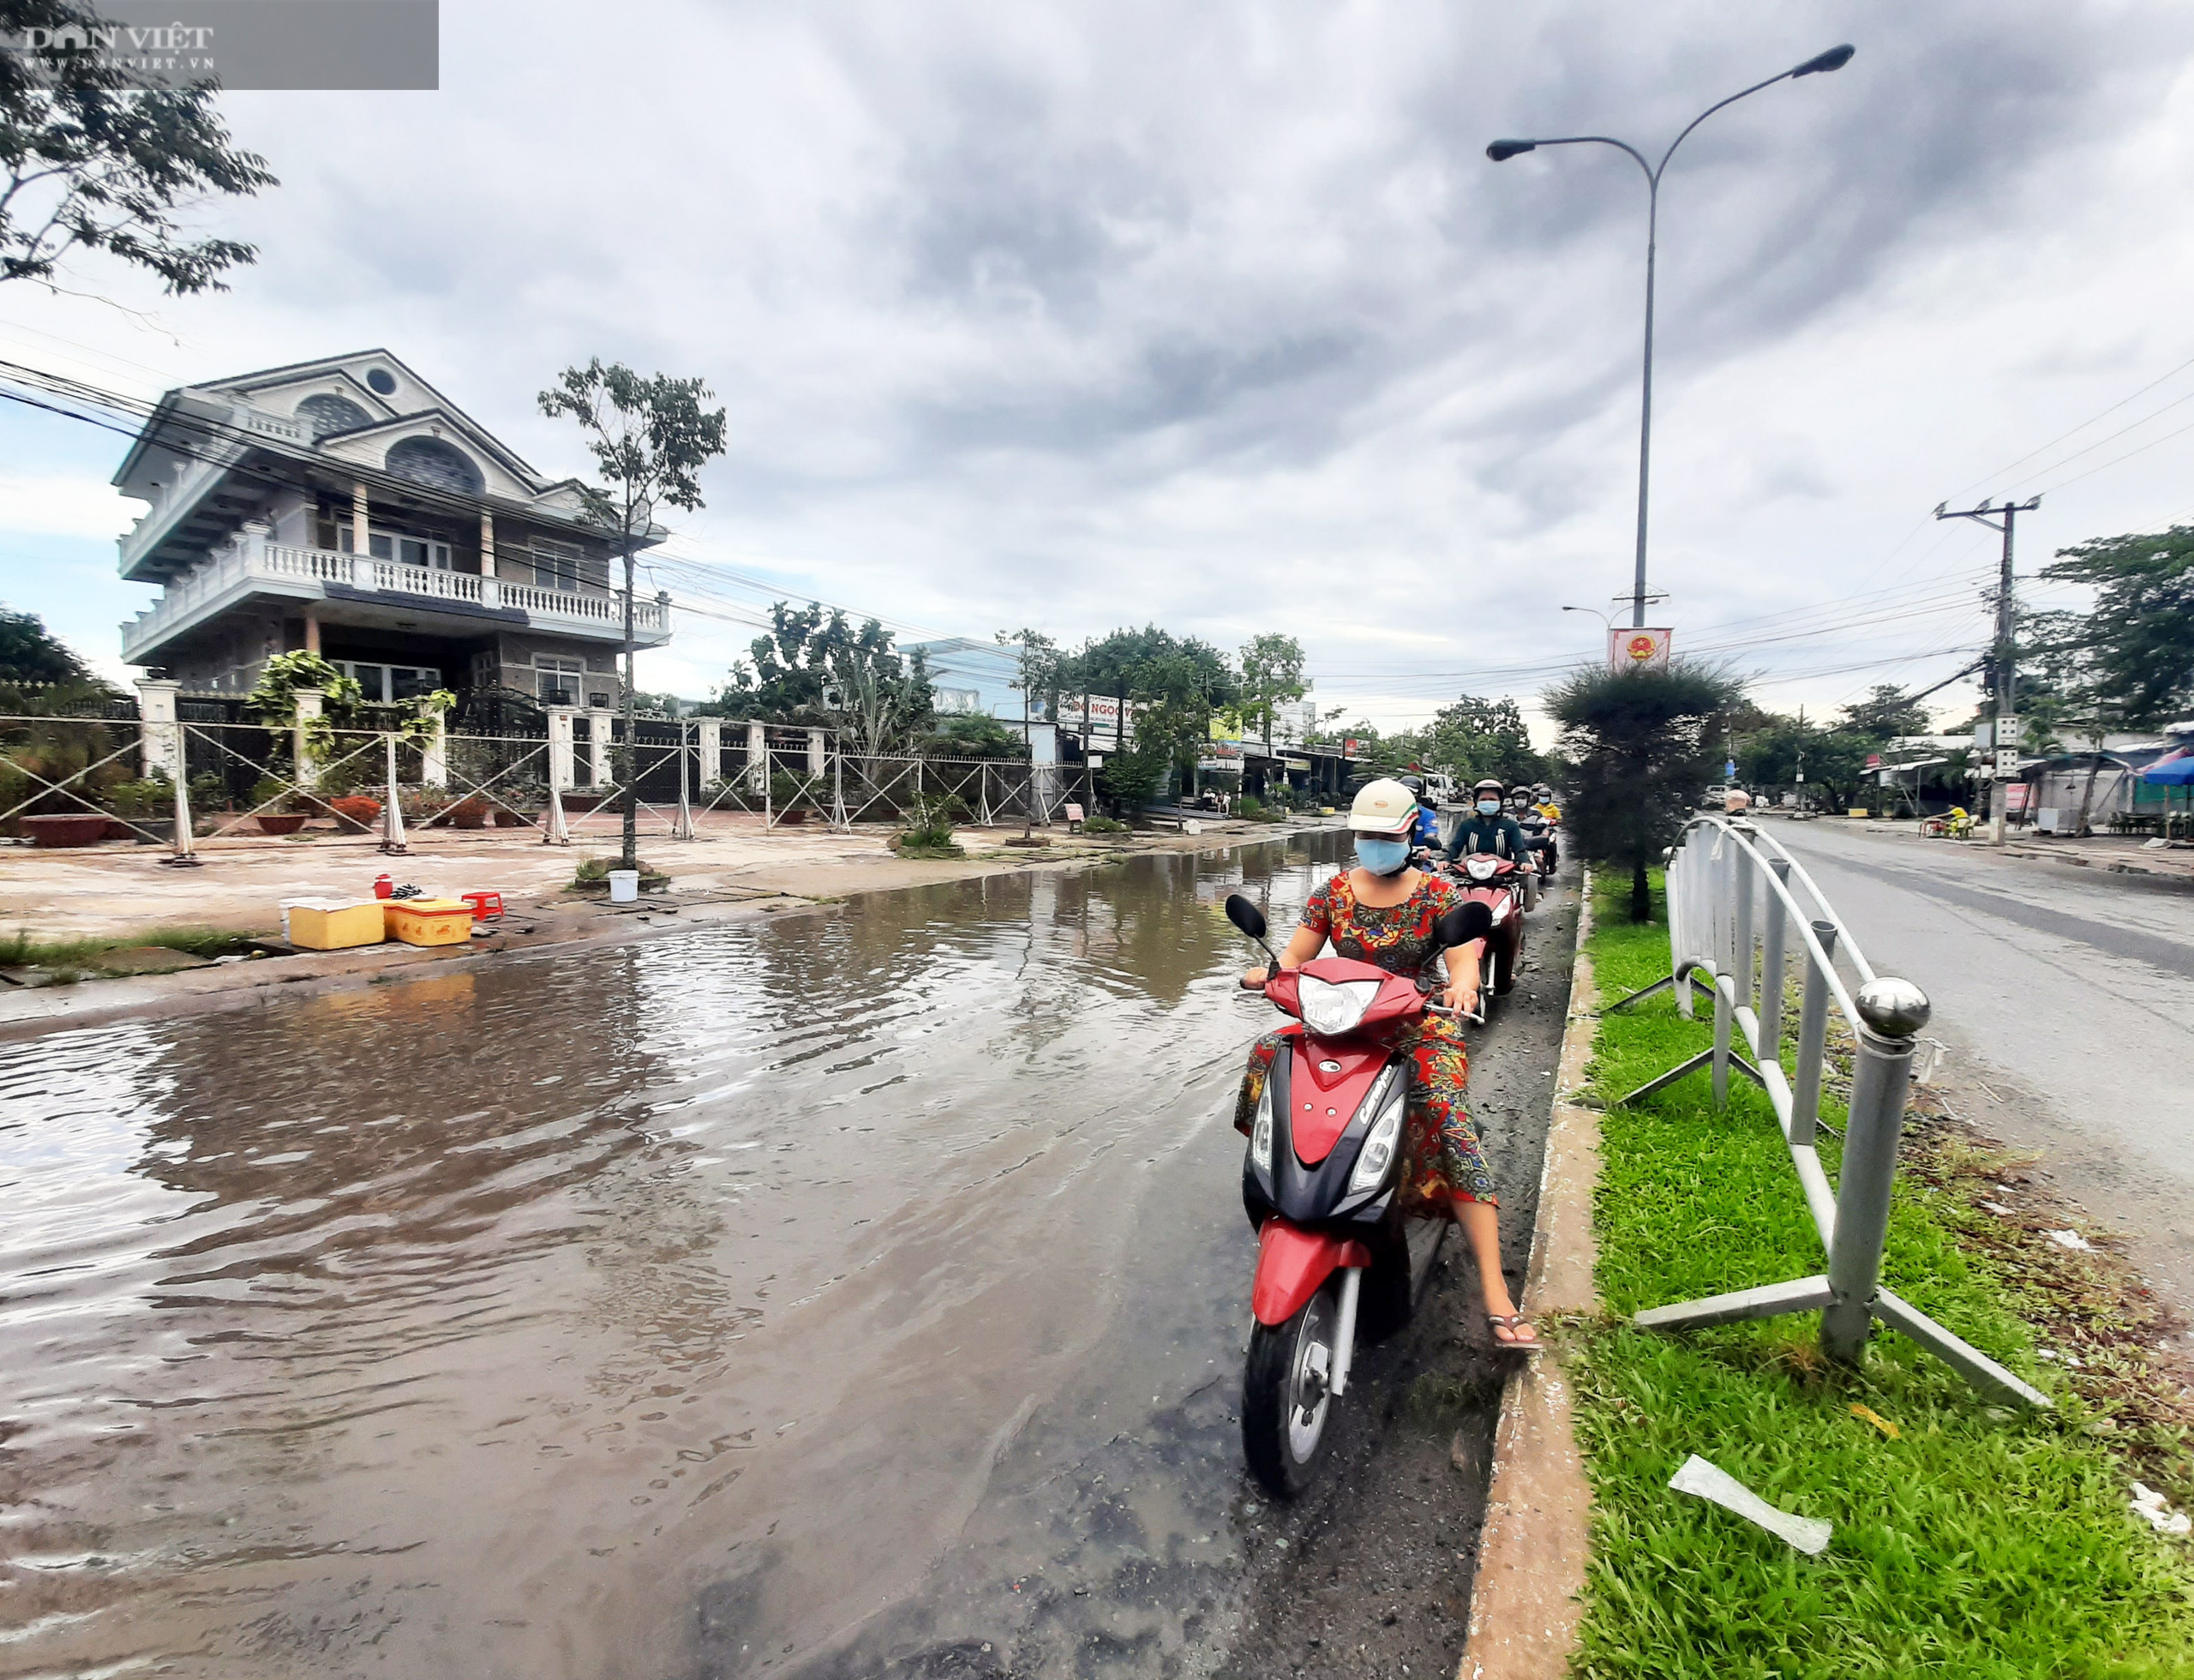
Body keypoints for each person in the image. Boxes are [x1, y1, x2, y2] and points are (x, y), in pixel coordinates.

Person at [1234, 777, 1536, 1347]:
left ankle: (1495, 1292)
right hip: (1341, 1022)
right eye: (1366, 835)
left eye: (1386, 834)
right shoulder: (1333, 891)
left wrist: (1465, 987)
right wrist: (1269, 973)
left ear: (1409, 833)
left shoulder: (1440, 896)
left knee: (1447, 1113)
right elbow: (1298, 956)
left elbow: (1462, 959)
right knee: (1270, 1052)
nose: (1375, 843)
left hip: (1417, 1023)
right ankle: (1282, 1176)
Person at [1444, 778, 1531, 864]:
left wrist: (1525, 862)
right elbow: (1455, 847)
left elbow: (1520, 850)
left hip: (1503, 874)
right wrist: (1446, 860)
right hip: (1472, 871)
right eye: (1483, 800)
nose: (1488, 802)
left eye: (1492, 799)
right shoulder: (1467, 825)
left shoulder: (1510, 826)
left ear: (1500, 802)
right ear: (1476, 802)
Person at [1398, 773, 1442, 851]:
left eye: (1411, 793)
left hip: (1417, 855)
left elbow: (1431, 834)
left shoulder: (1428, 815)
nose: (1407, 796)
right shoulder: (1391, 813)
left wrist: (1427, 849)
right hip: (1392, 854)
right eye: (1405, 792)